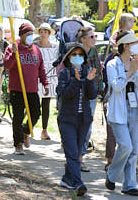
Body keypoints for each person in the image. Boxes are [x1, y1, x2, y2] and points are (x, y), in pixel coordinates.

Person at [105, 30, 138, 196]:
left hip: (135, 109)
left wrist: (136, 70)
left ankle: (129, 184)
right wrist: (129, 71)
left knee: (134, 150)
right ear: (124, 46)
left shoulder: (137, 62)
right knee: (126, 146)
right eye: (132, 44)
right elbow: (116, 86)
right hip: (117, 111)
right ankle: (112, 174)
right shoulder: (112, 64)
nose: (136, 47)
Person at [57, 43, 97, 196]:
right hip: (67, 120)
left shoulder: (87, 72)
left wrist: (89, 81)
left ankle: (67, 178)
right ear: (69, 57)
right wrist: (76, 80)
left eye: (81, 55)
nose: (78, 57)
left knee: (77, 152)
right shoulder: (65, 74)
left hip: (83, 120)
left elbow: (92, 95)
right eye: (74, 54)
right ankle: (78, 183)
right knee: (72, 153)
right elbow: (65, 94)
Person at [4, 22, 49, 155]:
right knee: (17, 116)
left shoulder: (36, 49)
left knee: (35, 114)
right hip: (17, 89)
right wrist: (14, 54)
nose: (30, 37)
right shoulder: (13, 48)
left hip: (32, 89)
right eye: (28, 34)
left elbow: (41, 68)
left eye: (31, 34)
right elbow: (7, 65)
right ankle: (18, 143)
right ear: (22, 35)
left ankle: (25, 131)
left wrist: (45, 83)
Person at [76, 26, 103, 172]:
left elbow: (98, 71)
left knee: (87, 127)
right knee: (76, 125)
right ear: (83, 39)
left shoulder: (95, 53)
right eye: (91, 37)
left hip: (90, 94)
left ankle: (80, 158)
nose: (94, 39)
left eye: (95, 36)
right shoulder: (76, 53)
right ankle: (73, 157)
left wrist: (100, 89)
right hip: (76, 94)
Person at [34, 23, 58, 140]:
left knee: (46, 104)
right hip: (35, 77)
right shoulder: (34, 46)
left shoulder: (54, 47)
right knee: (34, 103)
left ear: (49, 34)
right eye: (41, 31)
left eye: (45, 32)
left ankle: (44, 129)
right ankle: (29, 127)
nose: (43, 34)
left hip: (49, 78)